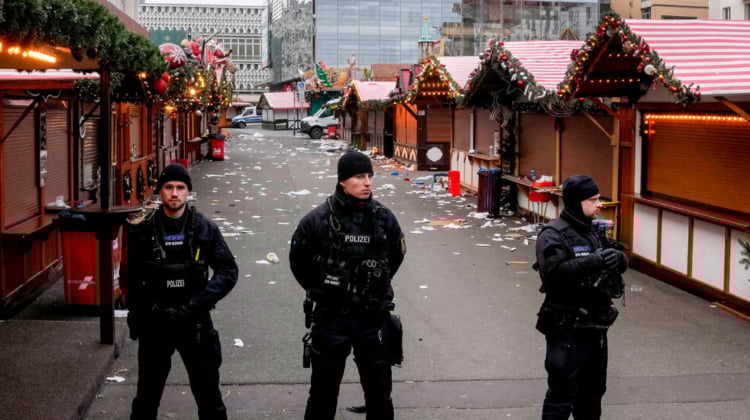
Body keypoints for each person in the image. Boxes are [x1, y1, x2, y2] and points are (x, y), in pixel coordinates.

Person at [289, 150, 406, 420]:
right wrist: (324, 289)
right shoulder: (317, 220)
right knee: (322, 394)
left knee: (380, 395)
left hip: (373, 318)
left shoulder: (384, 218)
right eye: (359, 177)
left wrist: (372, 286)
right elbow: (299, 262)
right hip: (331, 319)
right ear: (343, 181)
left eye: (370, 176)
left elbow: (395, 256)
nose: (367, 182)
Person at [126, 163, 238, 420]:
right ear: (160, 191)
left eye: (180, 187)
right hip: (156, 323)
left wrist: (197, 304)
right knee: (146, 399)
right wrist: (142, 313)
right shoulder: (143, 229)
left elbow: (228, 272)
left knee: (209, 399)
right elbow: (133, 278)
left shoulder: (204, 228)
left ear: (188, 191)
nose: (174, 193)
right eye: (168, 187)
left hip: (194, 322)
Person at [534, 174, 627, 420]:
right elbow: (554, 273)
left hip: (596, 329)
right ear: (576, 202)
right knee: (561, 396)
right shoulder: (552, 235)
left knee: (592, 396)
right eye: (593, 200)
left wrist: (619, 258)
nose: (599, 204)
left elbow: (618, 258)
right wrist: (594, 261)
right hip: (567, 329)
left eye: (599, 199)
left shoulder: (593, 231)